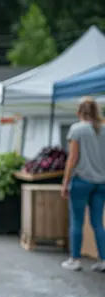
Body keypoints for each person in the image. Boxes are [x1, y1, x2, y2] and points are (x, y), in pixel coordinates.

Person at [60, 97, 105, 272]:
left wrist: (65, 182)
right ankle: (103, 259)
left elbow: (73, 158)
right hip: (101, 183)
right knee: (98, 222)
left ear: (79, 112)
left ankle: (75, 259)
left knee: (77, 221)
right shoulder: (103, 129)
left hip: (81, 181)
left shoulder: (77, 129)